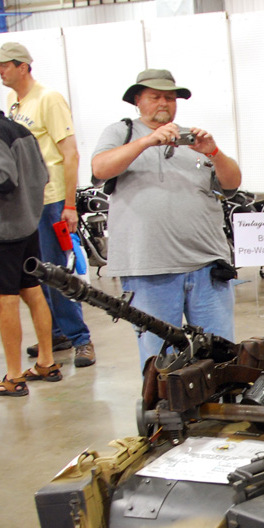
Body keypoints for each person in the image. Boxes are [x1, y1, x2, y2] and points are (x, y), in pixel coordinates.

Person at [90, 68, 241, 368]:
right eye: (155, 96)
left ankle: (220, 411)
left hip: (206, 267)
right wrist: (148, 141)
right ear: (137, 100)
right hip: (149, 269)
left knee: (222, 356)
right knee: (160, 361)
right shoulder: (123, 132)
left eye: (170, 97)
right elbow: (100, 168)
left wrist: (214, 151)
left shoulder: (191, 141)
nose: (164, 103)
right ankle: (167, 413)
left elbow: (232, 182)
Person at [0, 40, 95, 367]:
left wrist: (70, 204)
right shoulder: (12, 103)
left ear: (23, 66)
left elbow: (70, 153)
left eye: (5, 65)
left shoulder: (49, 99)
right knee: (33, 277)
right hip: (25, 206)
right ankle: (57, 333)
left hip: (51, 201)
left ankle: (81, 339)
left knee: (55, 272)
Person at [0, 78, 61, 396]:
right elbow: (43, 174)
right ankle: (46, 361)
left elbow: (2, 177)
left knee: (6, 300)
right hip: (27, 225)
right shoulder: (19, 129)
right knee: (32, 291)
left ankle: (14, 377)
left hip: (1, 232)